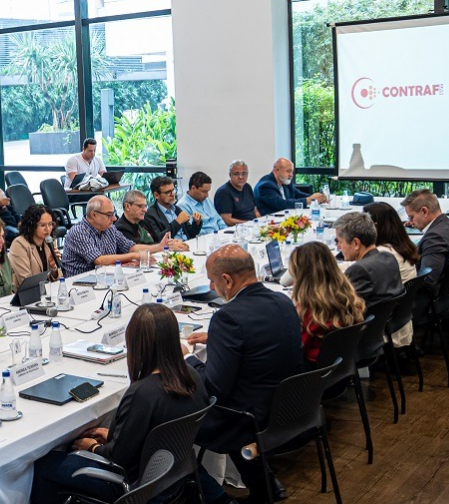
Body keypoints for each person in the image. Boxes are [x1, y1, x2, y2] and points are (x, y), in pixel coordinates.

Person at [31, 304, 230, 504]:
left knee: (45, 464)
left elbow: (119, 458)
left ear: (137, 343)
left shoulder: (142, 393)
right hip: (170, 478)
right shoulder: (192, 375)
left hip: (132, 487)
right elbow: (156, 434)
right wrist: (110, 435)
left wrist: (92, 447)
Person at [183, 244, 302, 502]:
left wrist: (188, 359)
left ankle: (216, 497)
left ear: (227, 279)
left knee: (173, 420)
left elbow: (215, 388)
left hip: (247, 418)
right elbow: (258, 341)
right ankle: (265, 485)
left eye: (212, 282)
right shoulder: (282, 300)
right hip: (290, 406)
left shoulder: (228, 317)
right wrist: (217, 339)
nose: (212, 288)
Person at [289, 242, 365, 365]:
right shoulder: (348, 298)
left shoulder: (311, 312)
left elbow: (297, 349)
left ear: (302, 276)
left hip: (311, 375)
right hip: (340, 370)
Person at [61, 196, 170, 278]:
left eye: (114, 213)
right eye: (109, 215)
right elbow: (99, 260)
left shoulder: (109, 228)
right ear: (94, 215)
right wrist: (136, 256)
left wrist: (159, 247)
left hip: (105, 277)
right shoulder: (78, 232)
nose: (114, 218)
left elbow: (130, 247)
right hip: (80, 284)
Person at [364, 202, 419, 346]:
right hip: (400, 321)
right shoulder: (402, 246)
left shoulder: (383, 254)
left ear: (375, 226)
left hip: (385, 327)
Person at [402, 190, 449, 308]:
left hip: (425, 302)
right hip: (448, 296)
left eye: (411, 217)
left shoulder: (434, 237)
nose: (410, 222)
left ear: (424, 211)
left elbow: (428, 279)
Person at [334, 212, 404, 306]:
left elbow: (343, 307)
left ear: (356, 243)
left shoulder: (359, 270)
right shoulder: (389, 257)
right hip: (388, 318)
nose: (338, 247)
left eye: (340, 242)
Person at [8, 204, 62, 290]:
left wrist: (53, 267)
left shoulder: (49, 241)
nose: (48, 229)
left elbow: (59, 279)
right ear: (31, 225)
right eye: (43, 225)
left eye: (50, 224)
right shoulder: (19, 244)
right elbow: (26, 281)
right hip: (25, 296)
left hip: (47, 293)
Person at [116, 190, 188, 251]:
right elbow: (137, 247)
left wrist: (172, 242)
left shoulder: (144, 221)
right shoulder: (120, 228)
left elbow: (158, 239)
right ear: (127, 206)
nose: (145, 210)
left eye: (145, 206)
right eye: (140, 206)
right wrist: (167, 246)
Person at [253, 157, 326, 215]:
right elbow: (282, 205)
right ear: (277, 170)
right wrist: (308, 200)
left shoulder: (285, 182)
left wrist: (317, 198)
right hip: (269, 222)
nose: (291, 175)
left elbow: (297, 194)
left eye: (292, 172)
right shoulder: (265, 186)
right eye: (288, 171)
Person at [144, 176, 203, 242]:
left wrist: (196, 223)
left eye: (173, 190)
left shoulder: (176, 209)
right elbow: (159, 239)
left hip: (186, 244)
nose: (173, 194)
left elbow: (191, 234)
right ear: (156, 195)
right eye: (168, 192)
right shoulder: (150, 214)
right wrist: (177, 222)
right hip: (170, 249)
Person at [214, 161, 260, 225]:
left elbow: (255, 210)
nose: (240, 177)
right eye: (236, 174)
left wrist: (261, 223)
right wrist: (249, 224)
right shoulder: (224, 192)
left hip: (253, 225)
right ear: (230, 175)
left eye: (244, 174)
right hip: (237, 229)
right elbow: (227, 220)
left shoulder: (247, 187)